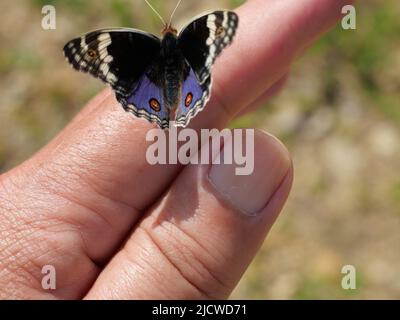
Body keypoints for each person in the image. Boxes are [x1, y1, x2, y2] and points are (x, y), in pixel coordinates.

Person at [0, 0, 351, 299]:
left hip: (152, 86)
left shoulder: (139, 43)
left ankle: (169, 105)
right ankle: (177, 104)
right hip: (181, 85)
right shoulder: (194, 33)